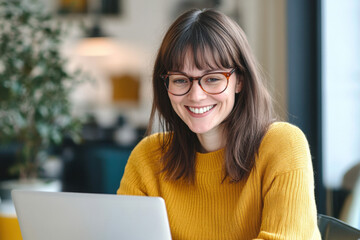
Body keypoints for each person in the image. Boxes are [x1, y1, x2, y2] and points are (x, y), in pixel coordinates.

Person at [117, 8, 321, 240]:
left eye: (212, 79)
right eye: (180, 80)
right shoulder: (149, 156)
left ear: (239, 81)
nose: (196, 95)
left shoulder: (283, 145)